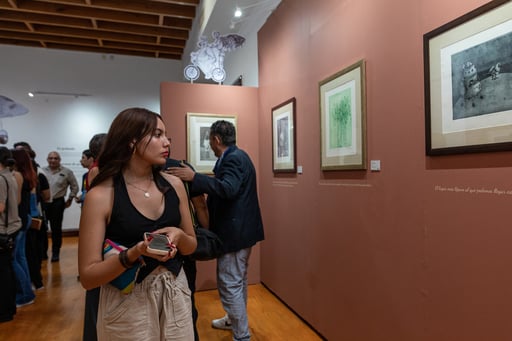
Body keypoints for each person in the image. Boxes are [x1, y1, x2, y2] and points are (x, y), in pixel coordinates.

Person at [78, 107, 197, 340]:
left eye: (166, 136)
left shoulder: (174, 185)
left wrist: (179, 236)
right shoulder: (102, 195)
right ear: (131, 141)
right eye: (157, 134)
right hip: (126, 299)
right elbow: (88, 276)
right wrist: (134, 253)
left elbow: (192, 245)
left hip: (175, 292)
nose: (166, 143)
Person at [169, 120, 265, 341]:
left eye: (210, 141)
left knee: (230, 283)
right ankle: (233, 320)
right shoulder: (237, 156)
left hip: (235, 233)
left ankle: (242, 336)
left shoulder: (233, 158)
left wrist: (194, 178)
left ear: (216, 139)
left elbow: (228, 189)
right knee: (237, 280)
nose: (210, 145)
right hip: (241, 231)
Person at [164, 156, 209, 341]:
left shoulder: (178, 168)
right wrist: (206, 233)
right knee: (186, 301)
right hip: (182, 250)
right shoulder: (180, 167)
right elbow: (200, 206)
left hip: (160, 249)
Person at [10, 148, 38, 307]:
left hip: (18, 219)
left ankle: (25, 294)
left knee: (13, 259)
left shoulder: (17, 175)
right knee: (20, 257)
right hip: (25, 217)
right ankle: (27, 290)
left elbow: (17, 200)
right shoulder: (29, 175)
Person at [43, 151, 79, 262]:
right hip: (44, 203)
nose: (53, 160)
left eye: (55, 158)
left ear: (60, 160)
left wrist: (70, 198)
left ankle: (55, 252)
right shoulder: (42, 171)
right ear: (47, 159)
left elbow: (75, 186)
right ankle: (43, 252)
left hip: (57, 203)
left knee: (56, 229)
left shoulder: (67, 172)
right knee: (43, 229)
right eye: (50, 158)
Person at [0, 147, 22, 322]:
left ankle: (5, 311)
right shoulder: (11, 176)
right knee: (7, 269)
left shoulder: (1, 179)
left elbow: (0, 207)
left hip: (3, 230)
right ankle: (9, 308)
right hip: (12, 228)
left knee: (4, 272)